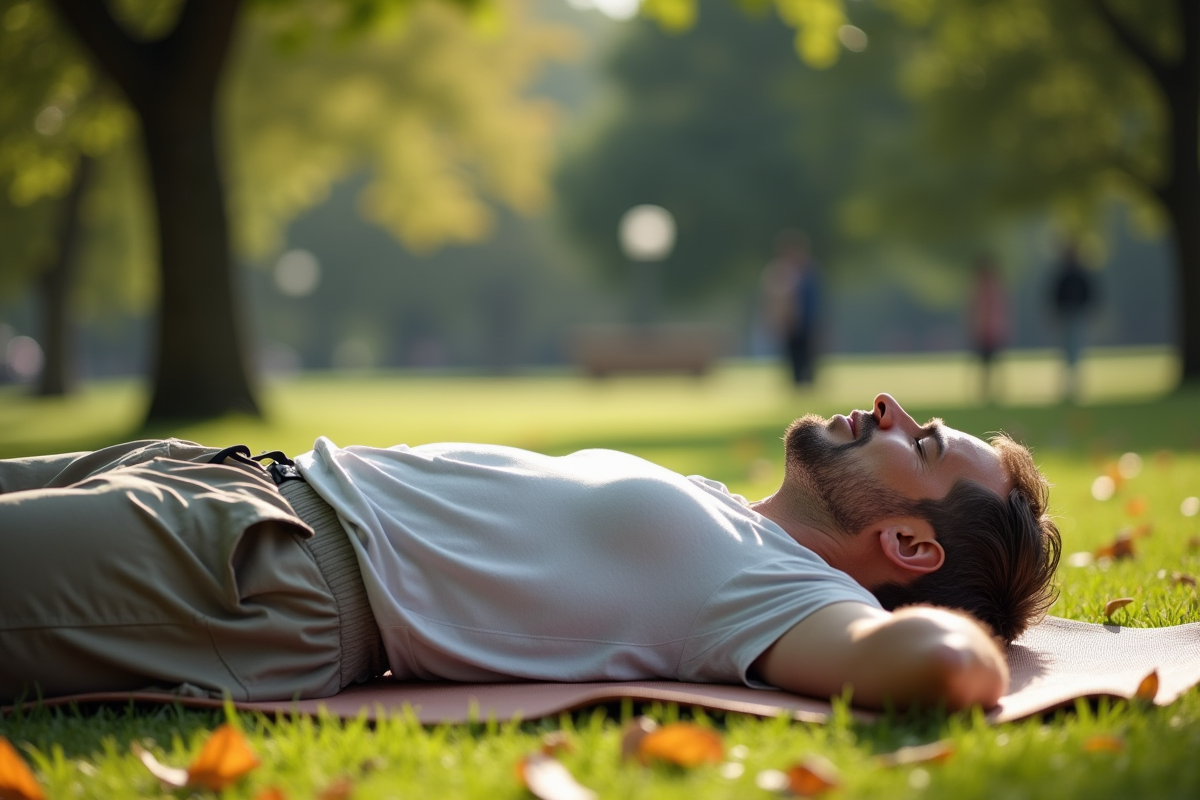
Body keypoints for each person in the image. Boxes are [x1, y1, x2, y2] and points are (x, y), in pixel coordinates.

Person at [0, 394, 1060, 712]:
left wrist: (979, 636)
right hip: (228, 481)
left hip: (254, 569)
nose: (890, 408)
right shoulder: (732, 521)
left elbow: (933, 665)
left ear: (910, 541)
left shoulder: (778, 593)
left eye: (920, 441)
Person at [761, 231, 821, 385]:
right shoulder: (781, 272)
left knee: (808, 356)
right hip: (790, 324)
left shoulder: (809, 272)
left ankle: (807, 383)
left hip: (807, 323)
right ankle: (798, 384)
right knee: (793, 357)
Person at [1050, 244, 1097, 402]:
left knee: (1075, 350)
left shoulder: (1079, 274)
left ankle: (1075, 387)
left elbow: (1088, 293)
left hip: (1078, 314)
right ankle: (1066, 387)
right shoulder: (1064, 275)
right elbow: (1056, 295)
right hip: (1066, 315)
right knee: (1066, 352)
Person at [968, 256, 1010, 404]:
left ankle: (993, 393)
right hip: (987, 330)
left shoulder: (988, 287)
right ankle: (987, 393)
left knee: (991, 363)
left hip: (989, 331)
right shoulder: (988, 286)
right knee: (986, 365)